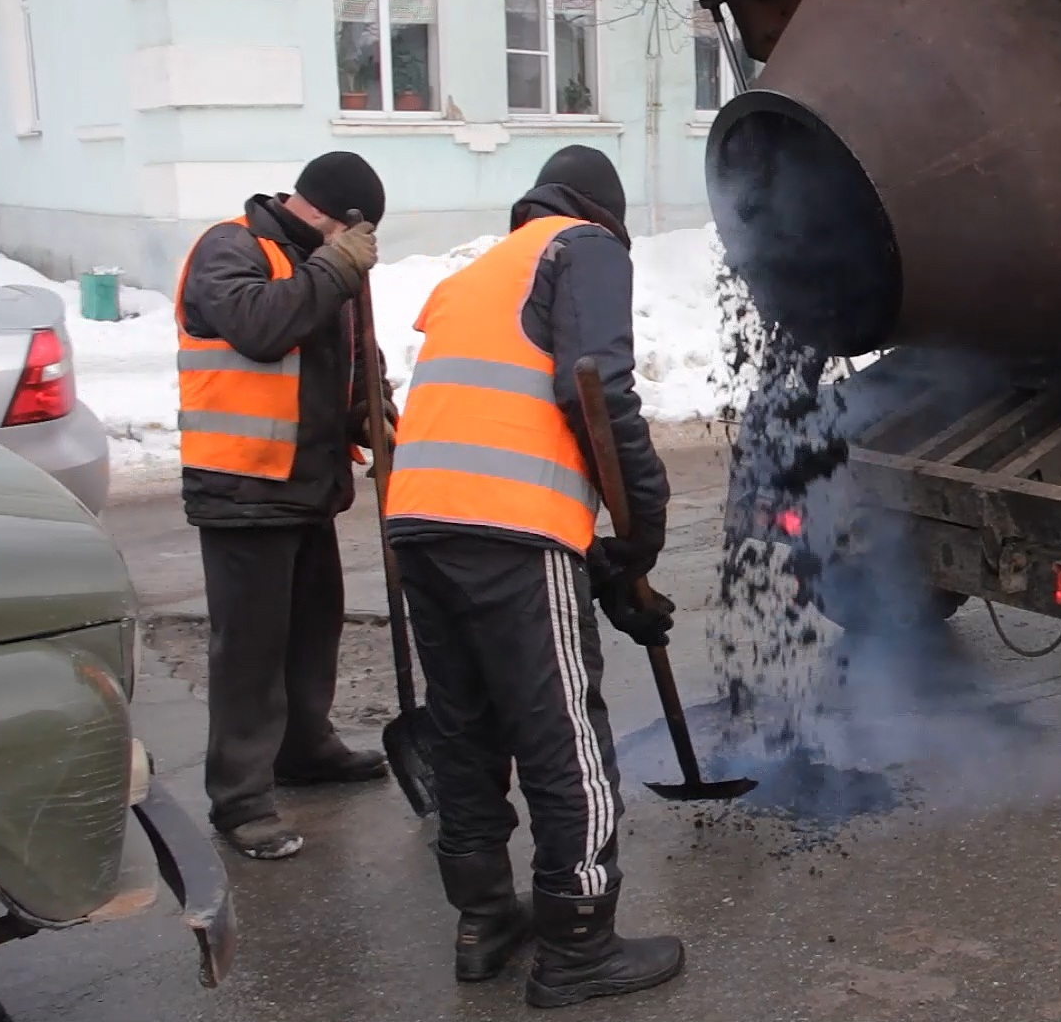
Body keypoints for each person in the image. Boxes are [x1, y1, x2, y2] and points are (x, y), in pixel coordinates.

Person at [382, 145, 683, 1009]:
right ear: (602, 214)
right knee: (564, 735)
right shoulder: (580, 247)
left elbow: (506, 415)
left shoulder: (486, 271)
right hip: (509, 527)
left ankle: (484, 921)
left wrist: (604, 567)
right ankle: (580, 946)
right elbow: (598, 391)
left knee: (466, 727)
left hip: (424, 524)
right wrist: (641, 537)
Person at [175, 151, 395, 860]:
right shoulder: (229, 247)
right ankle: (240, 799)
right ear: (333, 216)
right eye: (351, 236)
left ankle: (305, 747)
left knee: (312, 631)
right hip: (242, 487)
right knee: (250, 650)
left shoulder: (325, 269)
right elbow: (262, 326)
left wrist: (373, 410)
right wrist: (336, 270)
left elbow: (353, 356)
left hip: (306, 486)